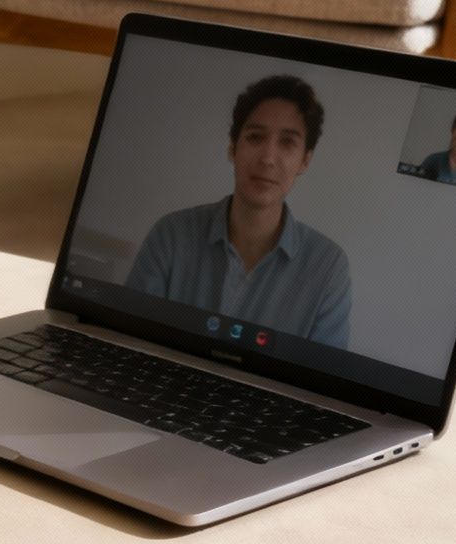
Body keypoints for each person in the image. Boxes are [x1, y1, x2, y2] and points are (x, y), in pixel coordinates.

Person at [126, 75, 353, 348]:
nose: (268, 158)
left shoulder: (328, 268)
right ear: (233, 148)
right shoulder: (171, 235)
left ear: (305, 160)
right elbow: (129, 339)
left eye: (287, 142)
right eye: (255, 137)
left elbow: (319, 380)